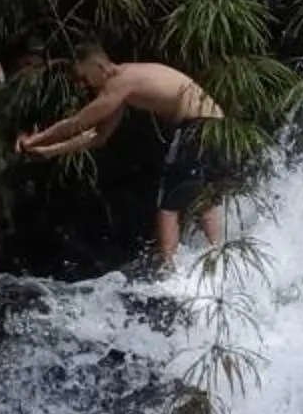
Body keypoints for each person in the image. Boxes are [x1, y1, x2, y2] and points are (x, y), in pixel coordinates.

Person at [16, 47, 230, 269]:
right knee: (202, 196)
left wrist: (33, 140)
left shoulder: (121, 83)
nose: (82, 85)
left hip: (197, 125)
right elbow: (99, 136)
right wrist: (49, 151)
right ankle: (219, 256)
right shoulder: (125, 84)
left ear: (98, 67)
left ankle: (170, 271)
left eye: (82, 77)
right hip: (217, 124)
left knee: (168, 201)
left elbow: (79, 122)